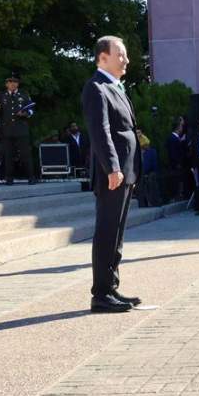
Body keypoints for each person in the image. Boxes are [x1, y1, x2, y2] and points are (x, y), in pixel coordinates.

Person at [80, 36, 141, 313]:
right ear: (103, 57)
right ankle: (101, 294)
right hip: (112, 173)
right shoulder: (96, 88)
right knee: (106, 231)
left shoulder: (115, 86)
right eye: (121, 55)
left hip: (125, 171)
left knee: (117, 232)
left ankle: (111, 287)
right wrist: (112, 167)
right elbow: (100, 131)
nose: (126, 60)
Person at [0, 74, 35, 185]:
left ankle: (31, 177)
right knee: (8, 155)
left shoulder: (24, 95)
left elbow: (31, 110)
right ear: (6, 84)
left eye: (15, 82)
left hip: (21, 130)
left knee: (25, 154)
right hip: (7, 130)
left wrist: (25, 114)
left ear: (18, 84)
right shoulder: (1, 96)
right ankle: (9, 178)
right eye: (10, 82)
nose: (13, 84)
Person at [166, 117, 191, 202]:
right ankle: (177, 195)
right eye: (181, 126)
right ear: (178, 127)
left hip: (176, 165)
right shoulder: (173, 139)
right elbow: (174, 153)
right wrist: (178, 163)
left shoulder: (175, 138)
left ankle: (179, 194)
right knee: (177, 181)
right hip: (176, 165)